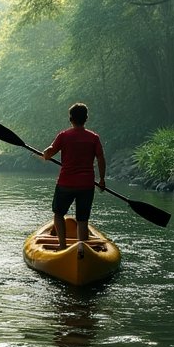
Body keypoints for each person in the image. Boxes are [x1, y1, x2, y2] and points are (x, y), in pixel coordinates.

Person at [42, 103, 106, 249]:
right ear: (86, 119)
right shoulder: (93, 138)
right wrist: (102, 179)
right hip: (86, 185)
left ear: (71, 119)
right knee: (82, 220)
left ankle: (62, 245)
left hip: (66, 184)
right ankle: (81, 248)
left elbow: (50, 152)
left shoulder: (64, 136)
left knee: (58, 214)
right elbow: (101, 159)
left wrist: (45, 154)